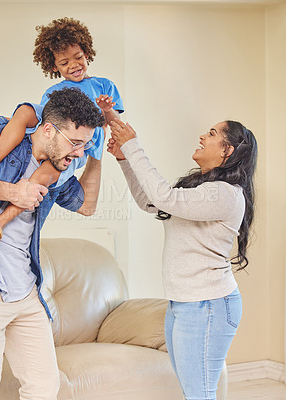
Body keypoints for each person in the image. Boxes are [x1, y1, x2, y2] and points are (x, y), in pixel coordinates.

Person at [0, 87, 105, 400]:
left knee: (45, 388)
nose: (78, 153)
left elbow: (85, 205)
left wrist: (95, 159)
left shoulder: (58, 166)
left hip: (26, 290)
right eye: (76, 142)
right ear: (48, 129)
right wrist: (12, 192)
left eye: (84, 144)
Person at [107, 119, 257, 400]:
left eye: (212, 134)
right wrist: (124, 160)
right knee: (195, 392)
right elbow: (150, 201)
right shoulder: (202, 190)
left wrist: (133, 145)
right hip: (185, 304)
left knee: (198, 394)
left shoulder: (225, 194)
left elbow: (163, 197)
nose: (202, 136)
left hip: (207, 306)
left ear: (228, 149)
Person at [0, 17, 124, 248]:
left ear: (87, 53)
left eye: (78, 57)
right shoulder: (53, 91)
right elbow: (43, 124)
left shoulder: (104, 85)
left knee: (46, 175)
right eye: (64, 63)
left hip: (77, 150)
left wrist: (108, 111)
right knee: (24, 116)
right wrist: (0, 122)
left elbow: (116, 125)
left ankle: (1, 222)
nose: (74, 65)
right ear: (54, 67)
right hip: (55, 145)